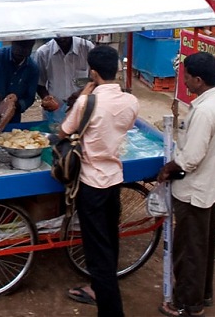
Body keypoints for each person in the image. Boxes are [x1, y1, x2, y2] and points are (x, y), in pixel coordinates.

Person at [63, 45, 139, 317]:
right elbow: (124, 127)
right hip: (114, 180)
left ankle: (111, 310)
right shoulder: (131, 102)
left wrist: (87, 90)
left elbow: (64, 130)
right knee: (110, 239)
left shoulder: (88, 102)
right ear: (116, 69)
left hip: (92, 183)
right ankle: (100, 288)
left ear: (93, 73)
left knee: (98, 255)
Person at [157, 52, 215, 317]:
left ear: (198, 79)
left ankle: (187, 304)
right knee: (201, 246)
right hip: (208, 188)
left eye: (187, 76)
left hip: (193, 191)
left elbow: (190, 158)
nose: (184, 81)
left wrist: (168, 168)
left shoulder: (204, 111)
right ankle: (203, 295)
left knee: (188, 252)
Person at [34, 36, 95, 123]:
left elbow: (95, 78)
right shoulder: (43, 52)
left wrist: (80, 94)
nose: (62, 38)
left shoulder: (87, 48)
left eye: (65, 35)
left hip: (83, 111)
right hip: (55, 115)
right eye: (58, 36)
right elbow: (39, 83)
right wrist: (47, 99)